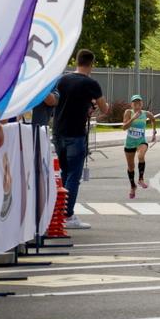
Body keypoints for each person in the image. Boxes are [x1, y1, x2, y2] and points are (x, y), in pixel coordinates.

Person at [52, 49, 108, 230]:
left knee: (63, 174)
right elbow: (104, 108)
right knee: (73, 177)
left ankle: (58, 211)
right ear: (91, 64)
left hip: (58, 132)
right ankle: (67, 214)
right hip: (76, 134)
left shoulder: (62, 80)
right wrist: (95, 106)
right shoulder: (91, 83)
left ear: (76, 62)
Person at [122, 95, 156, 199]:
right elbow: (124, 127)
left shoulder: (146, 113)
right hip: (130, 142)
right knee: (131, 167)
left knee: (141, 156)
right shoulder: (128, 112)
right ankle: (133, 186)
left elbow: (153, 119)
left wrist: (154, 132)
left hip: (141, 141)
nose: (137, 105)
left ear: (142, 104)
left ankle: (141, 179)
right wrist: (133, 118)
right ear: (131, 104)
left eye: (139, 103)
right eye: (135, 103)